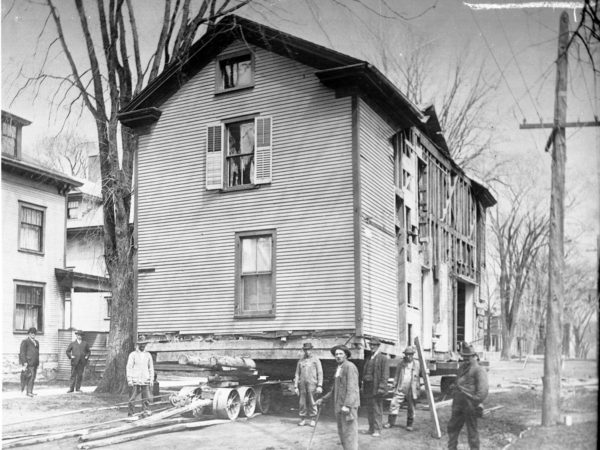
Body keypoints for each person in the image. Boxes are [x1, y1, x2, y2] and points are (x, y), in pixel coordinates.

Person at [316, 345, 360, 450]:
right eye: (336, 354)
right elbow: (334, 389)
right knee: (342, 433)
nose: (338, 356)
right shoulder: (339, 368)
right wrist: (323, 399)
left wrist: (347, 405)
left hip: (347, 407)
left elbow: (352, 388)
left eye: (340, 354)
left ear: (346, 355)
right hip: (339, 406)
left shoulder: (350, 367)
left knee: (349, 434)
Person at [447, 343, 489, 450]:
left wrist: (474, 402)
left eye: (468, 357)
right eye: (464, 356)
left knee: (472, 433)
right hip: (458, 404)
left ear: (473, 356)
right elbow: (458, 382)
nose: (465, 359)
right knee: (452, 429)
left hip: (470, 405)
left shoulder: (478, 370)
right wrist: (454, 386)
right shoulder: (461, 368)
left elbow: (482, 392)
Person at [385, 345, 420, 431]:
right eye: (407, 354)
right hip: (401, 386)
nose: (408, 356)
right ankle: (391, 422)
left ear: (413, 355)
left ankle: (409, 424)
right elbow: (396, 375)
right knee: (394, 403)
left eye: (410, 354)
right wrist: (394, 384)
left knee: (411, 407)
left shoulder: (417, 364)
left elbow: (423, 374)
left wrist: (427, 372)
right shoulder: (401, 363)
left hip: (412, 388)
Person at [362, 338, 389, 437]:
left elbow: (385, 374)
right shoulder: (369, 357)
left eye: (374, 345)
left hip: (377, 388)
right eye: (371, 345)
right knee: (369, 408)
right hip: (368, 388)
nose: (372, 346)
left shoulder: (383, 358)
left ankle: (377, 429)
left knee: (377, 409)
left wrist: (381, 387)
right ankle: (371, 428)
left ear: (378, 346)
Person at [294, 342, 323, 427]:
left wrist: (319, 385)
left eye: (308, 350)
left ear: (311, 350)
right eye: (305, 350)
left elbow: (320, 373)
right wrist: (296, 386)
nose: (307, 352)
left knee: (312, 401)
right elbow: (297, 374)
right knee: (302, 402)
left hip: (312, 384)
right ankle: (302, 419)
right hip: (302, 384)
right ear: (303, 350)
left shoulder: (316, 360)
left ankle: (313, 419)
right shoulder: (301, 360)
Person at [126, 340, 154, 417]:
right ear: (138, 345)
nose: (142, 346)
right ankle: (131, 413)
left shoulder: (148, 355)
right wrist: (130, 380)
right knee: (132, 398)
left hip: (145, 380)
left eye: (144, 344)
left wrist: (151, 379)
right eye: (141, 344)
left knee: (146, 398)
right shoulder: (133, 355)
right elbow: (129, 367)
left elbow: (151, 368)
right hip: (135, 380)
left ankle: (145, 412)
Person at [19, 327, 40, 397]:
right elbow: (22, 353)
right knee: (30, 377)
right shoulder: (25, 342)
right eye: (31, 333)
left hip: (35, 363)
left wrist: (38, 361)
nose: (33, 335)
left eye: (34, 333)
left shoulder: (37, 342)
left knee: (33, 377)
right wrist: (24, 362)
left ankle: (30, 391)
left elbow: (37, 353)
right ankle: (28, 392)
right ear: (29, 334)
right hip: (28, 363)